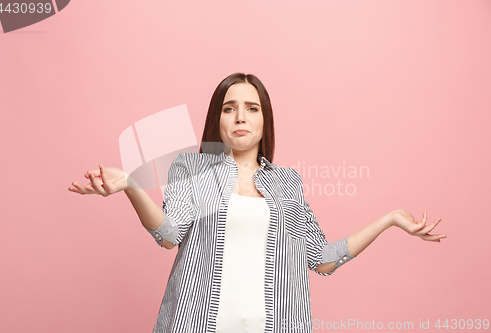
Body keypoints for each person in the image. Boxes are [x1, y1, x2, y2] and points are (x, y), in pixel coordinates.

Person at [68, 73, 446, 333]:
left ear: (266, 119)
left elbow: (323, 259)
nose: (240, 118)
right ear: (217, 118)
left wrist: (391, 219)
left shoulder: (286, 183)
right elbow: (168, 235)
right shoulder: (193, 167)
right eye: (229, 108)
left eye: (252, 108)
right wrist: (133, 186)